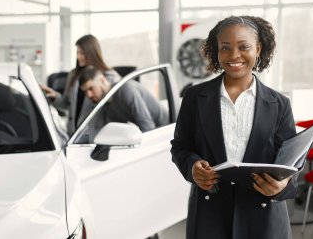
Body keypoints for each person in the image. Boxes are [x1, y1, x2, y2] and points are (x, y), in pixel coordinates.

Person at [170, 16, 297, 239]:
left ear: (258, 49)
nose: (234, 55)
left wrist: (282, 185)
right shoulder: (194, 97)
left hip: (264, 218)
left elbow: (291, 161)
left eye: (243, 47)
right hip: (210, 216)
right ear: (216, 51)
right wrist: (192, 167)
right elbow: (180, 146)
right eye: (225, 48)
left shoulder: (279, 104)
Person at [40, 34, 120, 136]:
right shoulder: (74, 75)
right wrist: (55, 96)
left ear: (92, 53)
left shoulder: (109, 78)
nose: (78, 57)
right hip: (73, 136)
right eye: (77, 53)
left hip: (96, 137)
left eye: (82, 53)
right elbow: (66, 105)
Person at [78, 66, 168, 140]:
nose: (88, 95)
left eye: (91, 88)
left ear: (102, 80)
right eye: (85, 92)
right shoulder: (105, 103)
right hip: (155, 132)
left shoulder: (125, 90)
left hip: (167, 130)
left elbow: (148, 126)